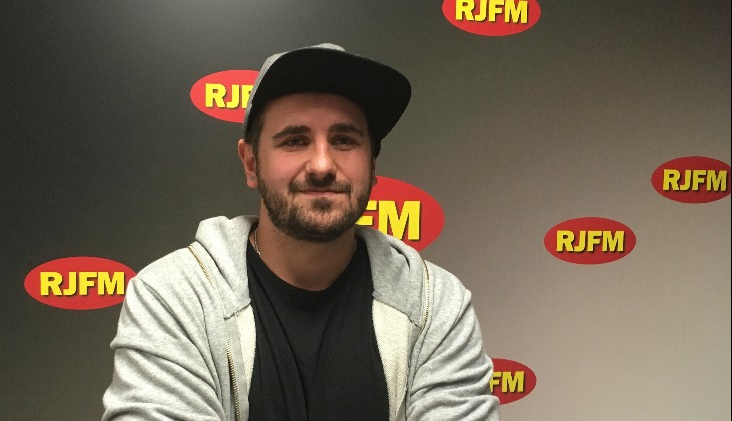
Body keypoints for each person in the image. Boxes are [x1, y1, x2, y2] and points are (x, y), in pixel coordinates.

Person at [102, 43, 500, 421]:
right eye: (295, 140)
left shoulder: (434, 306)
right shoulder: (173, 298)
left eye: (344, 140)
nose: (322, 164)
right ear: (251, 163)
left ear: (372, 165)